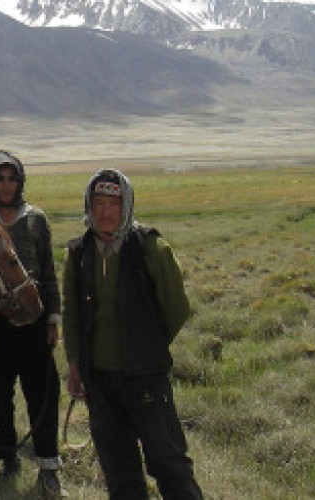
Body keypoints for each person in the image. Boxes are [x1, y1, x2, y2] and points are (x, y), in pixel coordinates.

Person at [62, 168, 202, 499]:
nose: (105, 212)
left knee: (168, 463)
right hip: (99, 380)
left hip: (145, 377)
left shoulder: (151, 248)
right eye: (98, 202)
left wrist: (147, 344)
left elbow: (176, 308)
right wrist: (75, 364)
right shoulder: (79, 253)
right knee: (119, 470)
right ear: (88, 205)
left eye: (114, 203)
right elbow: (72, 313)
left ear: (126, 206)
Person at [0, 150, 65, 497]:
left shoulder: (35, 220)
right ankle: (7, 460)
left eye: (11, 178)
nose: (6, 185)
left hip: (33, 320)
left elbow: (48, 272)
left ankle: (48, 464)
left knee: (43, 393)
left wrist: (53, 317)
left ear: (20, 181)